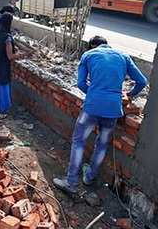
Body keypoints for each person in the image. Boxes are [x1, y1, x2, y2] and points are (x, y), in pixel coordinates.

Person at [53, 36, 148, 194]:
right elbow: (142, 81)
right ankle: (89, 176)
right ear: (107, 44)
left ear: (92, 46)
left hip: (92, 108)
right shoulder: (123, 56)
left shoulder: (88, 55)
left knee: (78, 142)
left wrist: (94, 94)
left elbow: (81, 83)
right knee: (102, 144)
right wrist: (130, 95)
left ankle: (71, 183)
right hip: (113, 110)